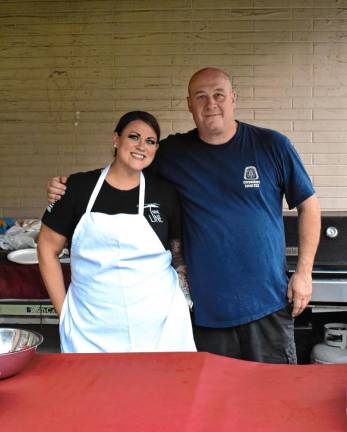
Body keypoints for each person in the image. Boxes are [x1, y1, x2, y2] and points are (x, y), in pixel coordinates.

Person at [46, 68, 321, 363]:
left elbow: (308, 205)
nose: (210, 104)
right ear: (189, 104)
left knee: (272, 397)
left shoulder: (271, 145)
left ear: (233, 99)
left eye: (219, 95)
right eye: (200, 97)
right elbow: (127, 165)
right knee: (211, 400)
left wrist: (304, 272)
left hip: (266, 303)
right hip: (206, 312)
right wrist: (68, 188)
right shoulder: (173, 153)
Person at [38, 111, 196, 353]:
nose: (141, 146)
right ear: (116, 139)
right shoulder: (77, 188)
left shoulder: (165, 193)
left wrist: (185, 296)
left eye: (150, 141)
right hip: (90, 330)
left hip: (159, 327)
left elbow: (176, 251)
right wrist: (64, 312)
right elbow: (47, 248)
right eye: (134, 137)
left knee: (162, 389)